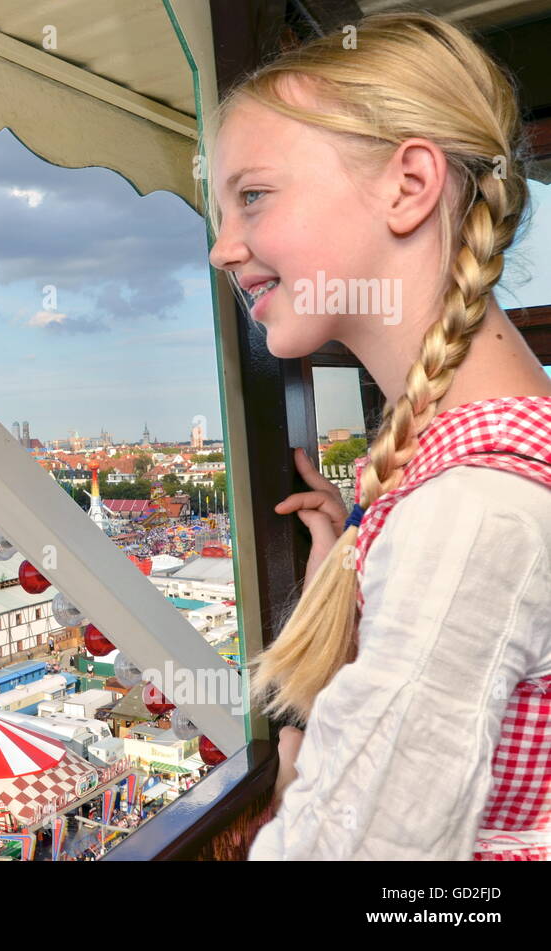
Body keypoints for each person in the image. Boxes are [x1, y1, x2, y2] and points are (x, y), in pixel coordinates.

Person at [206, 12, 551, 860]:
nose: (222, 248)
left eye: (252, 195)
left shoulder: (469, 513)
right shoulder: (460, 482)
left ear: (409, 185)